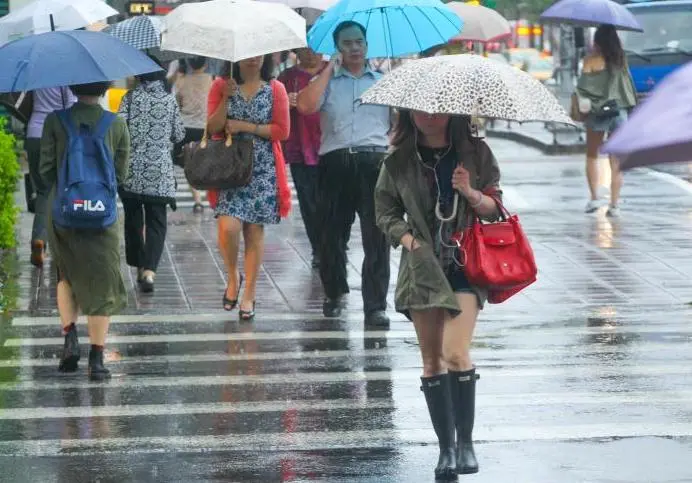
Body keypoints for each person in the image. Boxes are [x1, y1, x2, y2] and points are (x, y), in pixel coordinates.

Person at [374, 111, 502, 479]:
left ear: (450, 111)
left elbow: (496, 209)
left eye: (435, 110)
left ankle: (466, 443)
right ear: (408, 114)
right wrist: (409, 240)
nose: (427, 116)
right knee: (432, 362)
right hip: (423, 268)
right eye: (418, 110)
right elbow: (384, 212)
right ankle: (446, 449)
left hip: (465, 264)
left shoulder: (475, 154)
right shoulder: (397, 160)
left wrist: (471, 193)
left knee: (455, 352)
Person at [297, 21, 391, 326]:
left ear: (367, 45)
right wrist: (328, 70)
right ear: (338, 48)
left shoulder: (383, 82)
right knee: (332, 235)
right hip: (335, 163)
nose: (355, 48)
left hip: (373, 164)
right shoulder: (326, 82)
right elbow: (306, 107)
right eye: (348, 43)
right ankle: (334, 293)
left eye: (360, 42)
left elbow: (400, 124)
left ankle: (375, 305)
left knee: (377, 237)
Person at [39, 81, 130, 380]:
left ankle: (70, 340)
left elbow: (46, 170)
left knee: (66, 274)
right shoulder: (115, 123)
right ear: (105, 88)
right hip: (101, 214)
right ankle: (97, 359)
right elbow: (120, 175)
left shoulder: (55, 120)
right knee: (102, 281)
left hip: (63, 211)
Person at [207, 55, 291, 320]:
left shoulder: (275, 88)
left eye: (258, 54)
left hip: (262, 168)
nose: (253, 59)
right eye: (247, 54)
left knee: (254, 231)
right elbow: (212, 128)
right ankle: (233, 275)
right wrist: (224, 98)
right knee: (228, 226)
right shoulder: (221, 84)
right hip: (231, 168)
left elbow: (282, 130)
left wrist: (246, 126)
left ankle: (249, 294)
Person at [118, 66, 186, 293]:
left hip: (132, 172)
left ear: (138, 76)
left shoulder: (129, 98)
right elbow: (179, 135)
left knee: (133, 220)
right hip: (159, 174)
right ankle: (149, 271)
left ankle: (138, 265)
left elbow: (119, 129)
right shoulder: (169, 100)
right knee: (157, 222)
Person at [577, 25, 636, 217]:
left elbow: (583, 89)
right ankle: (614, 204)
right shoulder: (621, 60)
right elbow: (628, 87)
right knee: (616, 160)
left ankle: (594, 199)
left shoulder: (590, 61)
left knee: (592, 155)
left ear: (597, 41)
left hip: (597, 113)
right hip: (618, 111)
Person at [277, 46, 327, 268]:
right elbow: (273, 110)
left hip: (330, 146)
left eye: (315, 49)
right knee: (309, 203)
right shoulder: (286, 77)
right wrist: (284, 102)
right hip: (300, 149)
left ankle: (334, 243)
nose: (310, 54)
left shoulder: (330, 72)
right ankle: (318, 247)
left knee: (332, 202)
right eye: (305, 49)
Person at [26, 87, 76, 267]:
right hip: (58, 134)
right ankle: (50, 241)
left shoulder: (37, 72)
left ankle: (41, 239)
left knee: (42, 190)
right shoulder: (66, 75)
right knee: (61, 190)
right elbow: (71, 105)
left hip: (34, 132)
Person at [175, 55, 212, 213]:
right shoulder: (213, 81)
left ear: (189, 63)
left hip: (187, 128)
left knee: (189, 165)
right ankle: (209, 196)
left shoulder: (182, 81)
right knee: (208, 164)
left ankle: (197, 200)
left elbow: (178, 104)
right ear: (205, 64)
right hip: (206, 127)